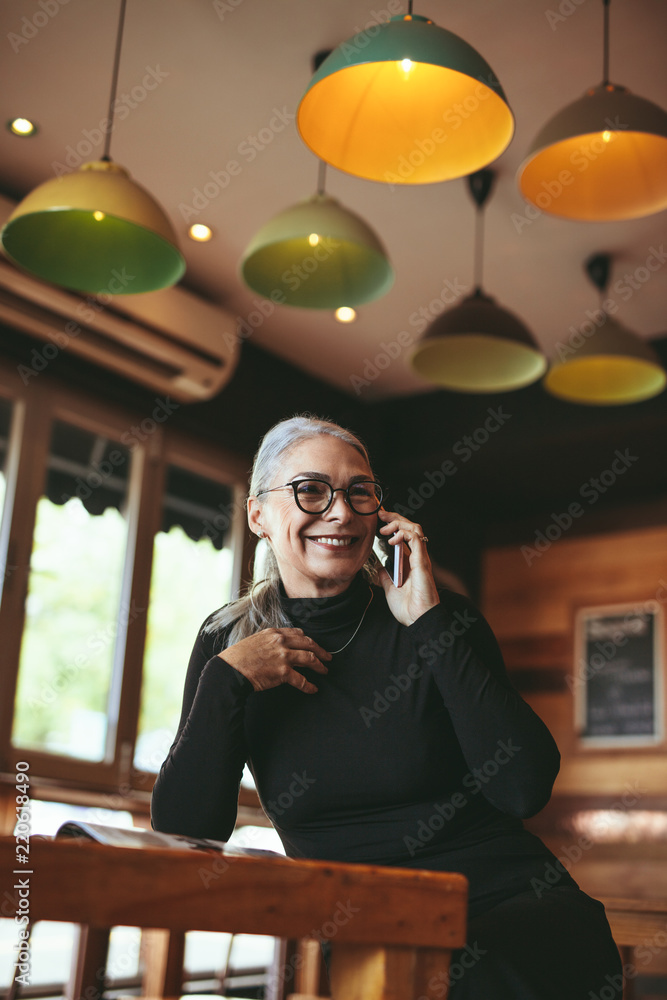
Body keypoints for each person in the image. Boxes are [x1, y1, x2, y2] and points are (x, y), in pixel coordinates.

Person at [151, 415, 622, 999]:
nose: (341, 512)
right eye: (311, 489)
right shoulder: (227, 646)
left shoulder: (440, 620)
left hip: (508, 912)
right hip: (358, 930)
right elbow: (185, 832)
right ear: (258, 516)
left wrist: (430, 625)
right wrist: (225, 683)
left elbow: (524, 789)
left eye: (359, 492)